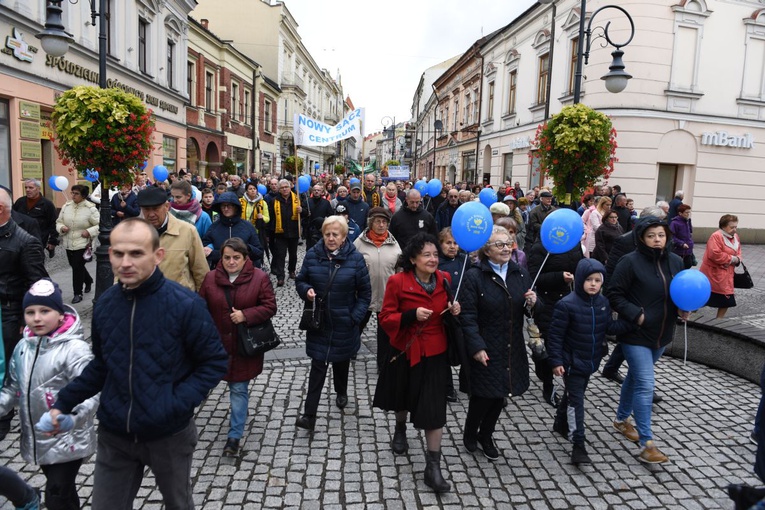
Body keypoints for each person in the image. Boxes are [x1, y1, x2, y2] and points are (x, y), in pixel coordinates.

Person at [46, 217, 228, 508]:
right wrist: (63, 402)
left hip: (168, 434)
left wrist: (174, 403)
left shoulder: (185, 304)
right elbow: (102, 365)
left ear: (157, 256)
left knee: (178, 503)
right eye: (118, 253)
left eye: (136, 253)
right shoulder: (105, 305)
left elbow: (214, 362)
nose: (125, 262)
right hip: (115, 433)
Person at [373, 233, 460, 493]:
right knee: (402, 396)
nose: (433, 259)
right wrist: (411, 315)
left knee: (435, 410)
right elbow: (386, 317)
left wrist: (455, 309)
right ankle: (400, 428)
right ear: (413, 259)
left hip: (435, 353)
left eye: (435, 254)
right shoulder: (397, 282)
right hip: (405, 350)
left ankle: (432, 467)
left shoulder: (445, 279)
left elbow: (447, 313)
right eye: (427, 255)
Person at [0, 280, 98, 510]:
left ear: (61, 315)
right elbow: (12, 389)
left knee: (56, 495)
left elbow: (91, 391)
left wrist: (71, 418)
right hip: (40, 439)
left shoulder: (74, 349)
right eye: (30, 312)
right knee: (64, 495)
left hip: (68, 438)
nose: (37, 318)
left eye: (45, 311)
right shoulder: (23, 347)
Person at [607, 217, 687, 464]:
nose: (656, 239)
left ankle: (621, 420)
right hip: (636, 334)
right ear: (641, 237)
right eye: (651, 235)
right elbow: (613, 294)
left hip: (662, 335)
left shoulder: (676, 261)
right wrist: (636, 315)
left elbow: (680, 292)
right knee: (645, 384)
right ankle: (647, 443)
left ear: (667, 237)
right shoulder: (629, 262)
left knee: (635, 377)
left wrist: (684, 309)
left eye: (661, 235)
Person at [459, 226, 537, 461]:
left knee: (501, 394)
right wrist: (476, 346)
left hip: (511, 345)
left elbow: (527, 311)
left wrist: (533, 303)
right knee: (483, 396)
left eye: (509, 243)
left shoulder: (520, 274)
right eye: (499, 244)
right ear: (486, 250)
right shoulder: (474, 276)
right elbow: (468, 316)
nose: (506, 248)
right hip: (486, 345)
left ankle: (487, 435)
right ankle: (471, 432)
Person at [548, 259, 632, 465]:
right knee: (577, 402)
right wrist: (556, 361)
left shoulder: (603, 303)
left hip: (590, 361)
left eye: (597, 280)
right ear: (579, 280)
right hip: (571, 363)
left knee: (574, 394)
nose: (593, 284)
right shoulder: (566, 304)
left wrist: (632, 322)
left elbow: (608, 327)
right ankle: (578, 444)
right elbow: (555, 336)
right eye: (589, 280)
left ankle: (560, 422)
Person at [199, 237, 277, 458]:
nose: (231, 262)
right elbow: (200, 307)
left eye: (236, 258)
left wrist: (246, 315)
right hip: (216, 346)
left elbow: (270, 306)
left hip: (243, 346)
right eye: (226, 258)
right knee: (202, 383)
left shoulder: (259, 278)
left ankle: (234, 436)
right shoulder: (210, 278)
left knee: (238, 389)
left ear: (245, 258)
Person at [294, 216, 371, 431]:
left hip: (344, 322)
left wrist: (354, 317)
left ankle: (341, 391)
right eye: (327, 234)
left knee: (341, 362)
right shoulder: (312, 255)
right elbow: (301, 280)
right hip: (319, 322)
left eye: (335, 234)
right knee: (318, 367)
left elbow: (365, 294)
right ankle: (309, 415)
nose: (330, 238)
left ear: (344, 236)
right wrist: (306, 291)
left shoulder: (355, 259)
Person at [528, 240, 583, 407]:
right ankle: (549, 387)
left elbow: (580, 266)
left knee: (565, 342)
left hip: (569, 299)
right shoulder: (539, 247)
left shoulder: (574, 244)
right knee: (549, 345)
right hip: (547, 302)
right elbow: (535, 277)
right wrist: (559, 277)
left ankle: (567, 383)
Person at [353, 207, 401, 369]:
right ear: (370, 223)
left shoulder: (394, 245)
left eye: (384, 222)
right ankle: (351, 349)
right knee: (357, 324)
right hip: (364, 294)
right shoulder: (359, 243)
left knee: (385, 334)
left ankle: (383, 363)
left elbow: (399, 270)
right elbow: (351, 267)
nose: (381, 225)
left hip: (387, 295)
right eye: (378, 221)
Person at [137, 187, 209, 292]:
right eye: (146, 210)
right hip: (144, 301)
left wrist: (201, 302)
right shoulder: (134, 235)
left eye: (156, 209)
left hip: (180, 301)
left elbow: (200, 270)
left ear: (167, 206)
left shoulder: (187, 231)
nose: (151, 214)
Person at [55, 184, 99, 304]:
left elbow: (99, 225)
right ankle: (88, 280)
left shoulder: (91, 209)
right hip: (68, 242)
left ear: (83, 196)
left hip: (83, 243)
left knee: (77, 268)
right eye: (72, 193)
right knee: (74, 265)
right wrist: (62, 227)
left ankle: (77, 293)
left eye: (76, 193)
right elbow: (59, 222)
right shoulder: (66, 206)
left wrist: (89, 232)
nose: (73, 196)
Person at [202, 192, 263, 270]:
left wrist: (246, 249)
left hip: (245, 272)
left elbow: (259, 252)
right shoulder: (214, 227)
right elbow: (205, 250)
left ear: (236, 207)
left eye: (229, 206)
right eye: (223, 206)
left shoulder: (247, 227)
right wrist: (222, 255)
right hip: (220, 272)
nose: (226, 209)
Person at [700, 214, 743, 319]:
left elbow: (738, 252)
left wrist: (738, 259)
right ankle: (689, 314)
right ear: (723, 226)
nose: (734, 229)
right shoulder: (716, 236)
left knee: (727, 300)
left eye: (736, 227)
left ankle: (719, 321)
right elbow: (714, 254)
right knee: (703, 297)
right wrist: (732, 259)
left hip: (727, 275)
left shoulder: (736, 237)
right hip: (713, 274)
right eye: (732, 227)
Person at [268, 179, 302, 287]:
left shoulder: (297, 199)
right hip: (280, 233)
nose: (284, 189)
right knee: (280, 255)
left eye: (286, 187)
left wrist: (302, 210)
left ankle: (291, 270)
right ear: (279, 189)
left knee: (293, 254)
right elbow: (271, 217)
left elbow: (306, 214)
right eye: (282, 187)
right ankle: (280, 276)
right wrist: (271, 232)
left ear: (290, 187)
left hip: (294, 232)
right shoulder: (274, 201)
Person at [12, 179, 58, 257]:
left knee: (35, 262)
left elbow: (53, 223)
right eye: (26, 188)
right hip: (20, 237)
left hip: (38, 239)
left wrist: (52, 241)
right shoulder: (20, 201)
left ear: (38, 188)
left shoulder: (47, 204)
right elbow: (12, 217)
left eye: (31, 188)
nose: (27, 190)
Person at [301, 183, 334, 249]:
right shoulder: (307, 201)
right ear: (312, 191)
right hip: (310, 229)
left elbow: (331, 215)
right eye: (315, 190)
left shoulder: (326, 203)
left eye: (318, 190)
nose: (316, 191)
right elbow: (303, 215)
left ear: (322, 192)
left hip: (321, 229)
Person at [669, 204, 694, 269]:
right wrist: (681, 243)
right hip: (678, 250)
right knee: (678, 266)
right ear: (680, 213)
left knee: (689, 264)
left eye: (689, 212)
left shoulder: (688, 221)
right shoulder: (675, 223)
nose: (688, 214)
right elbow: (672, 237)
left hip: (688, 249)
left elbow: (690, 233)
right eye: (686, 212)